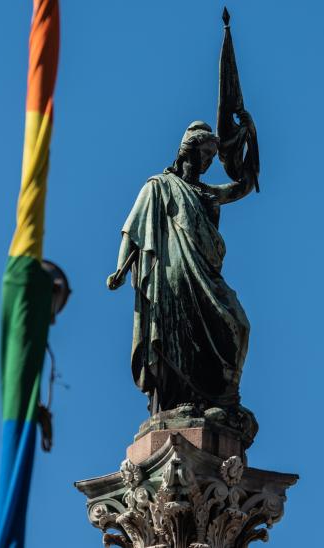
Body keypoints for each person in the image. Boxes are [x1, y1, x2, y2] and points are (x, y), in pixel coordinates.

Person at [107, 120, 256, 413]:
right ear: (188, 151)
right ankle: (180, 401)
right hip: (172, 273)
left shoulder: (206, 192)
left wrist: (249, 137)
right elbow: (134, 230)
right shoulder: (158, 186)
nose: (209, 161)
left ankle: (221, 399)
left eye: (212, 157)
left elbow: (244, 186)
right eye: (206, 153)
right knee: (180, 334)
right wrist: (120, 270)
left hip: (204, 273)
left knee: (237, 324)